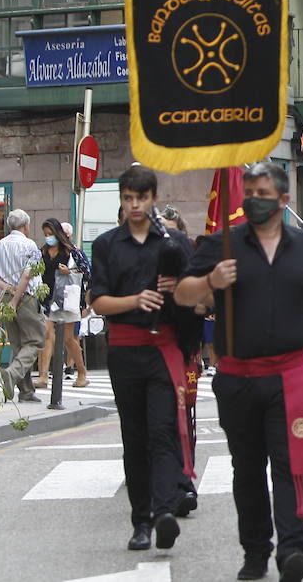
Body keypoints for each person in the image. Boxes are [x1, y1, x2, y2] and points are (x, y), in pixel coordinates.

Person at [177, 162, 303, 582]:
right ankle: (255, 551)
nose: (253, 199)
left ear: (284, 200)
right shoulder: (221, 245)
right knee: (247, 469)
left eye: (264, 192)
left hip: (289, 375)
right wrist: (211, 280)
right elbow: (182, 292)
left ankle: (292, 549)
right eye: (249, 191)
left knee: (290, 464)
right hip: (237, 378)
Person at [89, 166, 199, 553]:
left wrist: (177, 289)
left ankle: (165, 511)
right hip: (124, 349)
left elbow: (197, 298)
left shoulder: (175, 243)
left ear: (153, 198)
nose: (135, 205)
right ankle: (140, 520)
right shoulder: (105, 245)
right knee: (134, 438)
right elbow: (98, 301)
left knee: (163, 430)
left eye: (141, 198)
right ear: (122, 200)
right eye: (127, 199)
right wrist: (136, 299)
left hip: (165, 349)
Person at [0, 209, 44, 403]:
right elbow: (27, 275)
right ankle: (12, 374)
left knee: (18, 345)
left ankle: (26, 391)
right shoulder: (29, 244)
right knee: (35, 341)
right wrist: (15, 298)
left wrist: (8, 289)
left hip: (5, 297)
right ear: (26, 225)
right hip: (26, 297)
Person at [36, 218, 89, 390]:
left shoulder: (71, 252)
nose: (48, 238)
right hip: (47, 299)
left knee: (68, 339)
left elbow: (87, 272)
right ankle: (43, 376)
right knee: (46, 335)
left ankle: (81, 372)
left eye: (51, 234)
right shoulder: (42, 253)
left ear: (58, 234)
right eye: (45, 235)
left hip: (67, 299)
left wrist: (70, 271)